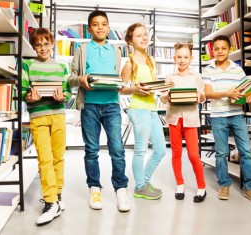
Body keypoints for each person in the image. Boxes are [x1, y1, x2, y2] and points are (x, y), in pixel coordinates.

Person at [68, 10, 130, 212]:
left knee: (117, 150)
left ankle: (121, 189)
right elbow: (71, 79)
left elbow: (120, 81)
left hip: (112, 104)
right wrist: (80, 80)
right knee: (91, 150)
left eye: (104, 24)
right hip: (90, 106)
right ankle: (94, 187)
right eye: (96, 24)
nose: (100, 27)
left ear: (109, 28)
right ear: (89, 28)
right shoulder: (81, 49)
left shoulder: (117, 52)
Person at [203, 35, 251, 205]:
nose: (220, 51)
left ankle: (250, 187)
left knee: (247, 151)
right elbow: (207, 93)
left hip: (237, 114)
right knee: (221, 153)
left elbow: (247, 90)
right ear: (212, 51)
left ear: (229, 50)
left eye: (223, 48)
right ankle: (224, 184)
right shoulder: (208, 70)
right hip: (218, 117)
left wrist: (249, 96)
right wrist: (226, 94)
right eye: (216, 49)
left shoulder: (237, 70)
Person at [22, 28, 71, 225]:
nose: (43, 48)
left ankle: (57, 197)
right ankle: (50, 202)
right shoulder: (27, 66)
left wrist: (63, 97)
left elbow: (66, 92)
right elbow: (25, 92)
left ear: (52, 44)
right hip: (39, 116)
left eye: (46, 43)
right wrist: (29, 97)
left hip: (58, 115)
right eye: (38, 45)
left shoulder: (61, 68)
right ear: (34, 47)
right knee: (45, 158)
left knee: (58, 157)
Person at [120, 23, 166, 200]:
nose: (144, 38)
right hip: (138, 109)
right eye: (139, 35)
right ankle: (140, 186)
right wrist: (135, 89)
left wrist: (163, 90)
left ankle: (144, 182)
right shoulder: (129, 63)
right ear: (131, 40)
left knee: (160, 150)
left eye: (145, 34)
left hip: (152, 108)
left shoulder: (151, 60)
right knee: (140, 150)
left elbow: (151, 85)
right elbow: (120, 89)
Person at [160, 42, 206, 202]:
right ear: (174, 58)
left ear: (191, 58)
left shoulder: (197, 76)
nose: (182, 60)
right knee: (176, 153)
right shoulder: (169, 77)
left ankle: (201, 187)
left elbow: (202, 96)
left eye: (185, 57)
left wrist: (198, 97)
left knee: (194, 154)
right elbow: (163, 97)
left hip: (191, 119)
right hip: (174, 118)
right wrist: (168, 98)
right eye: (179, 57)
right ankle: (180, 185)